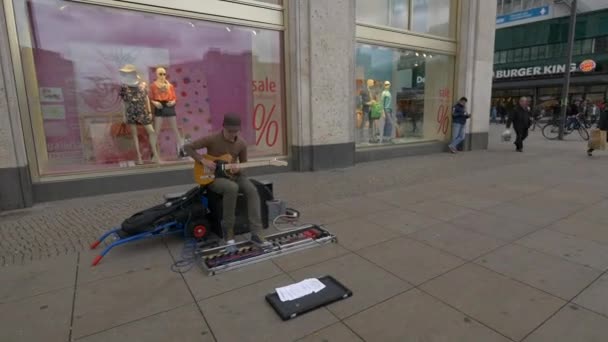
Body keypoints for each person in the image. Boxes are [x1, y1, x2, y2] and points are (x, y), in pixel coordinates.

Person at [183, 114, 271, 252]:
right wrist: (203, 160)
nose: (232, 134)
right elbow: (187, 147)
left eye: (235, 131)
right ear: (223, 127)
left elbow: (244, 163)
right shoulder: (212, 139)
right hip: (213, 177)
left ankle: (257, 233)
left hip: (233, 174)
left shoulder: (241, 143)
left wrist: (239, 168)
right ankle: (228, 233)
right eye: (230, 131)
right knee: (232, 188)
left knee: (252, 190)